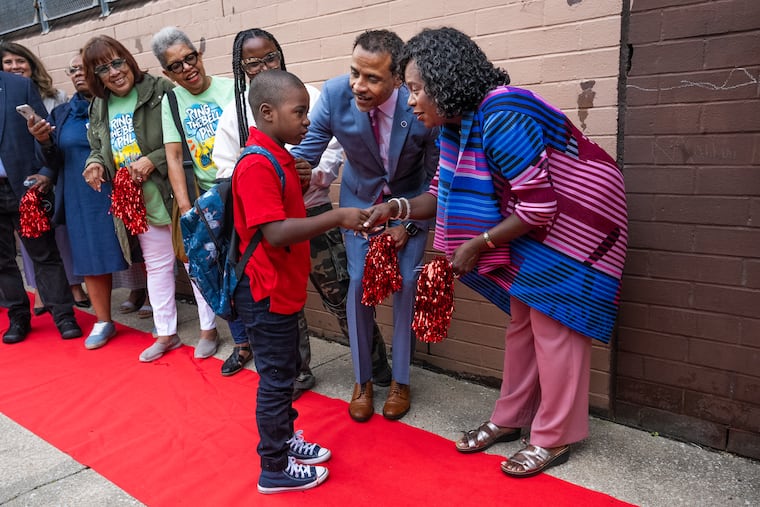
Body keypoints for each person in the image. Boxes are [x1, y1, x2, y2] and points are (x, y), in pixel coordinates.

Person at [364, 27, 628, 477]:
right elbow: (440, 193)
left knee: (554, 324)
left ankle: (554, 435)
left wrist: (480, 243)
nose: (411, 101)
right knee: (523, 321)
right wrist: (397, 206)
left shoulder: (503, 111)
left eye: (415, 89)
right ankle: (511, 417)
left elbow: (541, 204)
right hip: (538, 217)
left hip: (582, 219)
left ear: (443, 81)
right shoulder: (456, 124)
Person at [214, 28, 391, 393]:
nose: (263, 66)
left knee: (341, 292)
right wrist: (275, 175)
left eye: (270, 57)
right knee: (285, 307)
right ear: (240, 66)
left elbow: (334, 146)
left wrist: (316, 172)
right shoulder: (235, 113)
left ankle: (373, 367)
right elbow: (225, 173)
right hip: (270, 227)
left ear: (280, 54)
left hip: (314, 212)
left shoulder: (306, 95)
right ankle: (297, 372)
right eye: (253, 61)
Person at [291, 29, 439, 422]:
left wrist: (406, 223)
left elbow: (436, 178)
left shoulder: (420, 105)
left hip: (410, 206)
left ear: (396, 79)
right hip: (359, 203)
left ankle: (401, 380)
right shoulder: (337, 94)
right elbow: (306, 153)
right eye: (355, 72)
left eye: (372, 78)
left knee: (406, 283)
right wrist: (282, 169)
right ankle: (363, 380)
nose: (359, 85)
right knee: (358, 286)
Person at [233, 69, 367, 493]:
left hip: (282, 289)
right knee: (275, 380)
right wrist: (337, 216)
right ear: (268, 112)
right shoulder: (256, 164)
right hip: (264, 292)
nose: (307, 122)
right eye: (300, 112)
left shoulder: (278, 156)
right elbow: (273, 232)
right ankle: (273, 467)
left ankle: (286, 439)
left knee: (285, 373)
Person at [81, 35, 180, 361]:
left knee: (195, 265)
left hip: (172, 194)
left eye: (117, 61)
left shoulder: (158, 90)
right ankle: (166, 334)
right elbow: (97, 145)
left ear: (128, 60)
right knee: (157, 267)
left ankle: (211, 330)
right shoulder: (100, 105)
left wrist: (154, 159)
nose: (114, 72)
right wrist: (95, 162)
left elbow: (183, 141)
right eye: (103, 68)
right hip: (137, 204)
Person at [151, 25, 244, 360]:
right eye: (176, 65)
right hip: (209, 198)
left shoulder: (232, 88)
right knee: (221, 267)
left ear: (200, 55)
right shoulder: (172, 101)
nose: (187, 67)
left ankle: (262, 339)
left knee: (248, 266)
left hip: (242, 189)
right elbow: (174, 156)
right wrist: (189, 208)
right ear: (167, 72)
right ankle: (242, 341)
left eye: (190, 57)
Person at [28, 51, 132, 346]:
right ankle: (103, 320)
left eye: (83, 68)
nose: (77, 73)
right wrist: (43, 140)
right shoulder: (61, 114)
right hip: (82, 194)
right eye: (71, 69)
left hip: (125, 187)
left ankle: (151, 302)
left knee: (145, 253)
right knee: (91, 255)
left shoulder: (120, 102)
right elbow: (51, 159)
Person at [0, 41, 89, 313]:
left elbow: (47, 142)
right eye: (8, 62)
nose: (15, 66)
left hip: (33, 181)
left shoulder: (29, 91)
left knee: (47, 249)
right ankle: (25, 309)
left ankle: (64, 309)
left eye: (20, 61)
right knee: (8, 258)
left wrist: (44, 170)